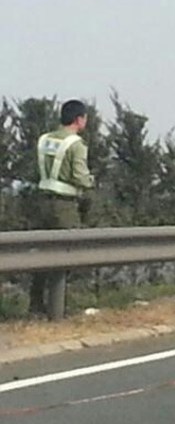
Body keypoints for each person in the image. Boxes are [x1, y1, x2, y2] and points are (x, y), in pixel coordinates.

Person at [30, 99, 95, 314]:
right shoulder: (75, 144)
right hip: (64, 204)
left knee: (40, 255)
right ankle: (59, 306)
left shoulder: (44, 139)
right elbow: (79, 175)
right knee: (67, 253)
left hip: (41, 201)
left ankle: (36, 304)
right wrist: (91, 182)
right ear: (79, 119)